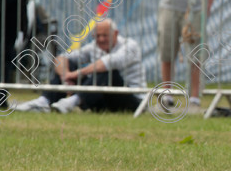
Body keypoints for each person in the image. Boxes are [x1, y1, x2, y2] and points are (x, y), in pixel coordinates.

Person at [14, 19, 145, 113]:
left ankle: (73, 101)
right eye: (97, 36)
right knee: (70, 64)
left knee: (107, 72)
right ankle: (44, 101)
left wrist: (75, 75)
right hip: (102, 100)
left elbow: (108, 63)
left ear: (116, 33)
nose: (100, 39)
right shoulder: (94, 46)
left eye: (105, 35)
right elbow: (62, 58)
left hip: (131, 99)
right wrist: (66, 76)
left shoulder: (130, 45)